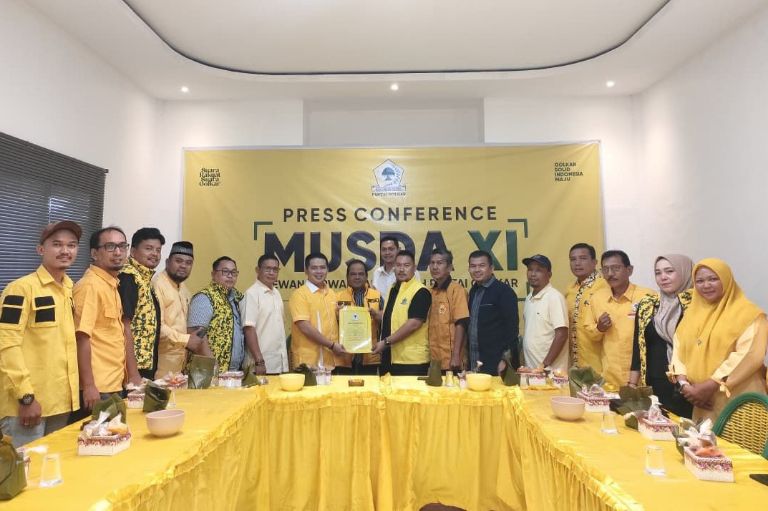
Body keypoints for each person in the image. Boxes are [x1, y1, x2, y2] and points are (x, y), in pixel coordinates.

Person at [0, 221, 82, 447]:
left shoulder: (69, 289)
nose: (65, 251)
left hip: (61, 403)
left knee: (52, 464)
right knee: (23, 467)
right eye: (57, 244)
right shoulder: (20, 289)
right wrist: (25, 397)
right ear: (41, 249)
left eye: (71, 245)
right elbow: (6, 344)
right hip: (27, 406)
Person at [670, 258, 768, 422]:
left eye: (713, 279)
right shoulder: (692, 314)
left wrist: (711, 384)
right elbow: (679, 348)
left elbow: (749, 355)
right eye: (700, 281)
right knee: (705, 438)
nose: (706, 285)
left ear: (726, 280)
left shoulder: (750, 314)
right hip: (701, 400)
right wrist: (684, 385)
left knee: (738, 438)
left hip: (738, 399)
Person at [629, 255, 694, 418]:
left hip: (689, 386)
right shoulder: (648, 305)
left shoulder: (696, 305)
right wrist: (632, 384)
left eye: (669, 271)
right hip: (654, 384)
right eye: (658, 273)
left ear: (685, 272)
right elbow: (638, 347)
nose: (663, 277)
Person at [73, 226, 130, 413]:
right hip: (98, 388)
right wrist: (89, 385)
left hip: (114, 382)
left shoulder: (111, 284)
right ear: (94, 253)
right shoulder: (90, 286)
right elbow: (81, 338)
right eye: (110, 247)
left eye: (122, 246)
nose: (118, 252)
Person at [583, 250, 654, 387]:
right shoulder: (597, 298)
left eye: (616, 268)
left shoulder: (647, 296)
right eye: (605, 269)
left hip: (643, 376)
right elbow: (589, 333)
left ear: (629, 270)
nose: (610, 273)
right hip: (610, 377)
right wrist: (599, 328)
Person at [152, 241, 211, 378]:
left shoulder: (184, 289)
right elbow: (156, 326)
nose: (183, 266)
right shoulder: (157, 285)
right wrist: (186, 340)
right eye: (178, 261)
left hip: (180, 368)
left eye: (188, 263)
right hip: (160, 367)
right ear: (167, 262)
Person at [372, 251, 431, 375]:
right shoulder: (393, 289)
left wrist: (386, 342)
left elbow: (413, 324)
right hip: (389, 357)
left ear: (414, 268)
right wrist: (375, 314)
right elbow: (392, 316)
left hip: (411, 361)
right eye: (398, 265)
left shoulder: (420, 291)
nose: (402, 269)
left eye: (406, 265)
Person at [119, 227, 164, 383]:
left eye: (158, 250)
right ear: (132, 251)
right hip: (130, 371)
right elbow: (124, 326)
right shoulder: (128, 277)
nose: (155, 254)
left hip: (144, 367)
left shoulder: (144, 279)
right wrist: (133, 374)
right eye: (149, 248)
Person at [188, 256, 245, 372]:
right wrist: (213, 367)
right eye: (225, 272)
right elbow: (197, 336)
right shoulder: (204, 298)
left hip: (232, 372)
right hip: (207, 371)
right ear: (213, 274)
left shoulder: (236, 299)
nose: (230, 276)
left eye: (233, 272)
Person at [288, 253, 344, 370]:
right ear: (306, 270)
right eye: (314, 268)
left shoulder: (331, 294)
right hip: (307, 363)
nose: (319, 271)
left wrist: (341, 316)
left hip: (329, 362)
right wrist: (332, 345)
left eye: (322, 267)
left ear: (327, 270)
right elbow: (305, 327)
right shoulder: (300, 295)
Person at [467, 250, 519, 375]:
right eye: (473, 266)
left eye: (482, 265)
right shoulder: (473, 291)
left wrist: (505, 360)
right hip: (474, 360)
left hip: (496, 363)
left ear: (491, 268)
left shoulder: (504, 292)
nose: (477, 270)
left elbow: (512, 329)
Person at [241, 254, 289, 375]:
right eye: (267, 269)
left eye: (275, 269)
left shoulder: (276, 293)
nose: (271, 273)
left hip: (278, 364)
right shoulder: (251, 294)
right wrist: (259, 362)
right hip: (260, 366)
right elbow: (249, 329)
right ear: (258, 270)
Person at [565, 243, 608, 372]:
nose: (577, 263)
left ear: (595, 262)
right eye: (573, 259)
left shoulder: (604, 286)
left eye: (583, 258)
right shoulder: (570, 290)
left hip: (599, 363)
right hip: (575, 363)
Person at [521, 254, 569, 371]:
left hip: (551, 372)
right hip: (533, 371)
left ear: (549, 274)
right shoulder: (529, 298)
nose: (533, 274)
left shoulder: (554, 297)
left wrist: (544, 365)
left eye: (539, 270)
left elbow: (562, 334)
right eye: (530, 269)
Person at [335, 259, 382, 375]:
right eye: (353, 274)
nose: (357, 277)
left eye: (361, 274)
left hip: (370, 354)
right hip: (345, 355)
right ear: (347, 277)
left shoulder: (377, 296)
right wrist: (337, 315)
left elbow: (387, 320)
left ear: (366, 276)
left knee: (369, 386)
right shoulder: (337, 297)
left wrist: (376, 315)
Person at [427, 248, 469, 372]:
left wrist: (456, 356)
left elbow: (461, 323)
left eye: (439, 263)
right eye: (432, 263)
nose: (435, 267)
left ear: (449, 267)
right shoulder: (430, 292)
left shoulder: (457, 290)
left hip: (452, 360)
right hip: (434, 360)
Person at [372, 236, 420, 305]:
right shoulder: (377, 273)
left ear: (398, 250)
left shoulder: (411, 272)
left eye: (391, 249)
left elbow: (416, 296)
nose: (387, 252)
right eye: (384, 249)